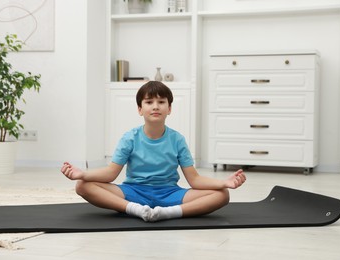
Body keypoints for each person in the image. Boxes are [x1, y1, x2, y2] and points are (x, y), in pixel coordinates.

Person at [61, 81, 246, 222]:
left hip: (170, 193)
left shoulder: (177, 139)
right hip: (133, 192)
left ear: (170, 108)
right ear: (140, 109)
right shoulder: (130, 138)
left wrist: (224, 183)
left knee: (222, 195)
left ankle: (167, 213)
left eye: (161, 102)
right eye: (149, 102)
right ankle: (133, 209)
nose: (155, 106)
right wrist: (82, 174)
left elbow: (194, 179)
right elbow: (110, 173)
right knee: (82, 186)